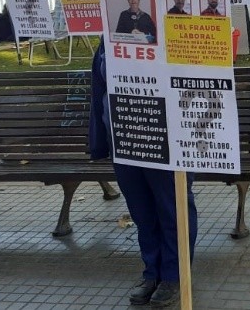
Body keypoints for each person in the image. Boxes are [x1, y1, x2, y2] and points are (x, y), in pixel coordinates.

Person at [89, 39, 197, 307]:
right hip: (124, 138)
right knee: (142, 212)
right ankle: (152, 272)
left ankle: (174, 275)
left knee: (173, 210)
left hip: (165, 138)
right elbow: (99, 87)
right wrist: (101, 140)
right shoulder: (108, 36)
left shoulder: (173, 27)